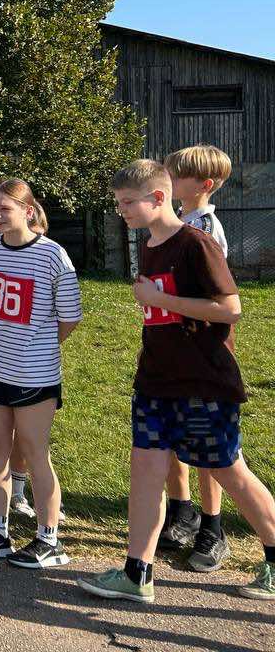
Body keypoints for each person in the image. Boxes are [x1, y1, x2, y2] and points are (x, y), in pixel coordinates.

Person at [80, 159, 275, 603]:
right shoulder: (149, 243)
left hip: (204, 383)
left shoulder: (196, 244)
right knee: (146, 471)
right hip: (155, 381)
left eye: (127, 203)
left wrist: (161, 299)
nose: (121, 211)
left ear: (158, 197)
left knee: (229, 471)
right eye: (118, 203)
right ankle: (137, 573)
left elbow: (230, 309)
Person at [0, 179, 81, 569]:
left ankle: (49, 539)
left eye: (5, 209)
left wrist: (38, 345)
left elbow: (70, 317)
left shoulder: (53, 255)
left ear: (28, 211)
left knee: (34, 452)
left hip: (35, 375)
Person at [159, 144, 232, 571]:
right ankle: (181, 510)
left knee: (206, 441)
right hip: (170, 345)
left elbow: (216, 296)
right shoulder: (174, 220)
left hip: (201, 348)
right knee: (171, 433)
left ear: (203, 185)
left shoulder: (205, 229)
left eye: (176, 176)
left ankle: (213, 525)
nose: (168, 181)